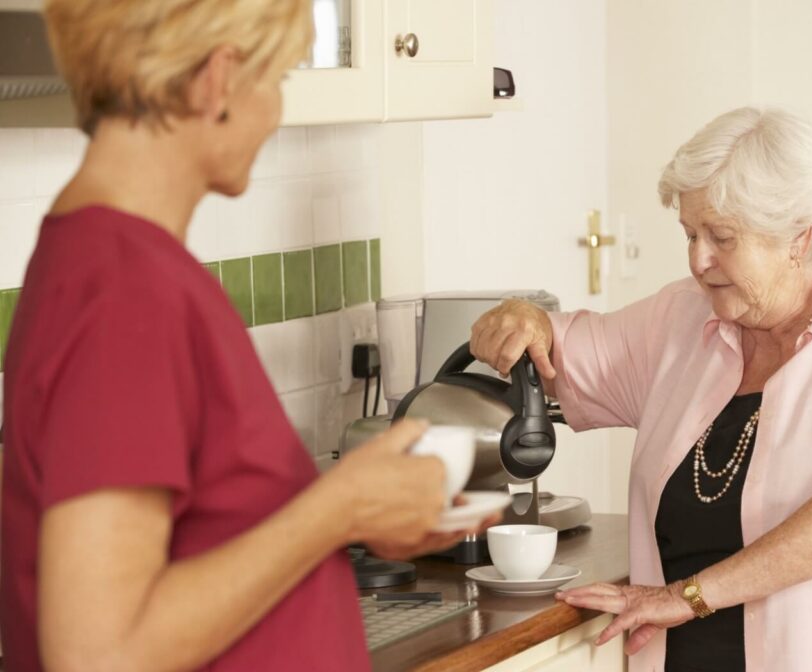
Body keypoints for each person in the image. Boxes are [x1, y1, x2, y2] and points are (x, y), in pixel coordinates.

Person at [0, 2, 495, 671]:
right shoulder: (124, 288)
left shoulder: (109, 262)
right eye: (276, 77)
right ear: (218, 80)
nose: (274, 111)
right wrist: (337, 510)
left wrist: (360, 512)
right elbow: (98, 653)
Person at [470, 107, 812, 672]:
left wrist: (685, 597)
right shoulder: (682, 318)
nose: (697, 260)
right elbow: (559, 353)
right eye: (690, 234)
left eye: (721, 237)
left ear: (799, 237)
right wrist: (528, 318)